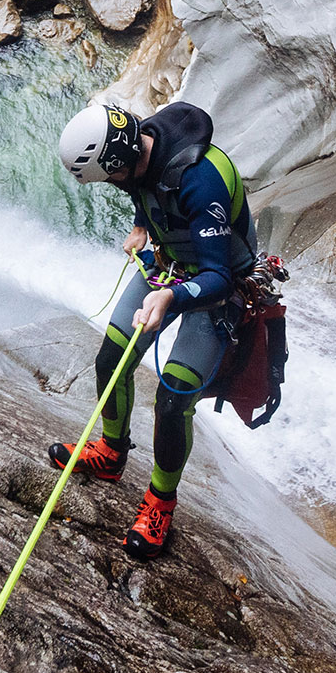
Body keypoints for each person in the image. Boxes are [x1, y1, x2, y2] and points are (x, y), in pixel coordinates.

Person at [53, 100, 256, 558]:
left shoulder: (200, 181)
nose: (113, 183)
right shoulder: (135, 143)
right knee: (111, 357)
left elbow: (218, 275)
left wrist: (169, 297)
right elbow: (138, 184)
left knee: (173, 398)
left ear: (117, 160)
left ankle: (161, 501)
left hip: (217, 285)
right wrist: (143, 224)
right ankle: (110, 454)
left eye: (109, 175)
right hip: (167, 262)